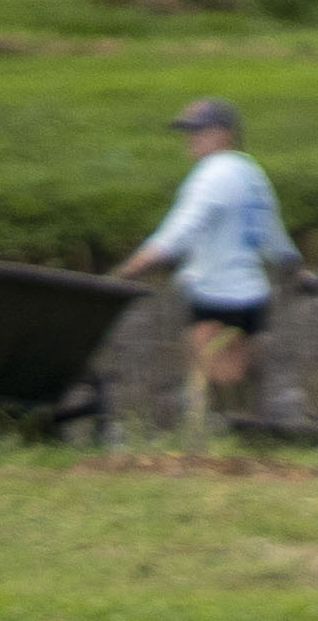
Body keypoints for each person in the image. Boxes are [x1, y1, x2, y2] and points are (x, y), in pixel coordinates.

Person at [110, 96, 292, 439]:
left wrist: (132, 268)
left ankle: (214, 451)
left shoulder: (210, 176)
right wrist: (295, 267)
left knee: (210, 385)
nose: (191, 140)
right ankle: (247, 451)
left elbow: (178, 232)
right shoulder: (253, 173)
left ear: (224, 134)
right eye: (189, 133)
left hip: (215, 297)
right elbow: (273, 232)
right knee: (242, 389)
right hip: (254, 299)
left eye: (199, 132)